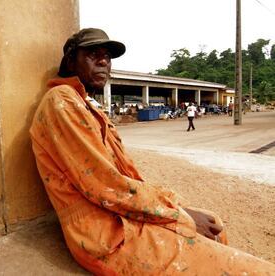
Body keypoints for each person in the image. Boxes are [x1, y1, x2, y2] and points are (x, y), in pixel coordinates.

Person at [29, 28, 275, 275]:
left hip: (122, 216)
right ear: (71, 60)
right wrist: (180, 215)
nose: (103, 61)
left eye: (107, 56)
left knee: (214, 225)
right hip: (107, 233)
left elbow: (128, 176)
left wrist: (174, 208)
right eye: (93, 54)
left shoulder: (86, 104)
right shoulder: (62, 101)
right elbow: (107, 185)